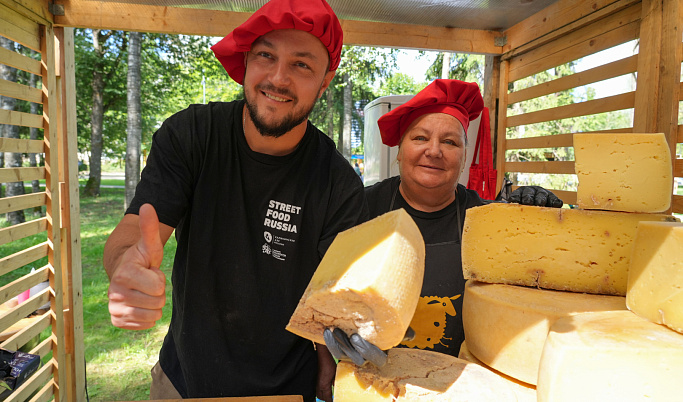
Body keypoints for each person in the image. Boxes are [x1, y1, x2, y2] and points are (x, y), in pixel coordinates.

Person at [102, 0, 367, 400]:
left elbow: (331, 305)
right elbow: (129, 236)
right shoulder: (191, 136)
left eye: (301, 64)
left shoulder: (338, 183)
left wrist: (330, 375)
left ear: (325, 81)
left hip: (286, 392)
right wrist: (125, 268)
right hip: (183, 382)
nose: (278, 78)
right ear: (246, 60)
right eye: (266, 55)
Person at [324, 79, 562, 365]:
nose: (434, 151)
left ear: (463, 158)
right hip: (374, 377)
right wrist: (337, 330)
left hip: (459, 381)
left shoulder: (485, 218)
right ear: (400, 151)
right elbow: (327, 291)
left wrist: (535, 217)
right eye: (420, 138)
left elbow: (535, 285)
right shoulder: (360, 210)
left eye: (450, 142)